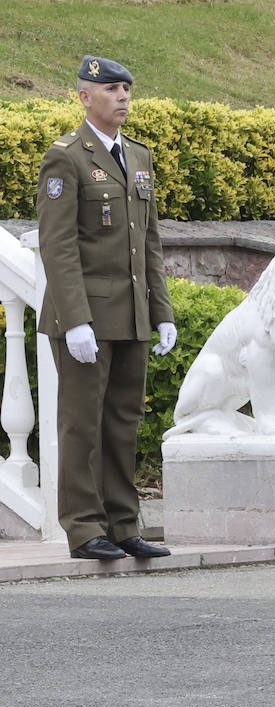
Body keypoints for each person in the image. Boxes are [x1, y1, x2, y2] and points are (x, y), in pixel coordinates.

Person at [36, 56, 177, 561]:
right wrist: (75, 320)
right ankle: (83, 528)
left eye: (126, 90)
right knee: (81, 424)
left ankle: (122, 523)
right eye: (112, 89)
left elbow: (151, 242)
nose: (123, 97)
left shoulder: (138, 156)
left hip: (132, 314)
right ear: (84, 97)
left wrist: (161, 310)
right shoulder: (66, 158)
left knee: (123, 422)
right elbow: (58, 247)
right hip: (86, 319)